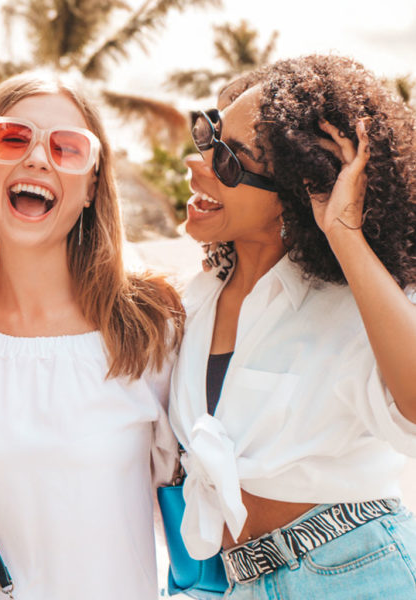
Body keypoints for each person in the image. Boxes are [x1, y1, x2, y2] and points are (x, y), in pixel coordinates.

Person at [0, 71, 185, 599]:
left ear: (93, 186)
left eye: (67, 148)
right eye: (12, 137)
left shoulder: (150, 328)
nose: (37, 158)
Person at [170, 54, 416, 599]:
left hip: (356, 571)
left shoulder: (358, 300)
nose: (199, 162)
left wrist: (344, 233)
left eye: (231, 160)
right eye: (211, 135)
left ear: (301, 192)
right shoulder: (196, 301)